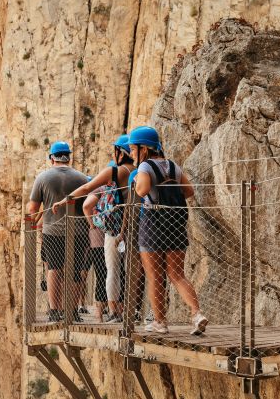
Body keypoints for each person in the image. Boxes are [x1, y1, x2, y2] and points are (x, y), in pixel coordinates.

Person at [127, 126, 208, 335]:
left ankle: (160, 322)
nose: (131, 153)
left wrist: (136, 181)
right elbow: (189, 191)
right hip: (174, 224)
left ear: (143, 148)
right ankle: (196, 313)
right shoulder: (172, 166)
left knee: (154, 276)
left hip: (152, 225)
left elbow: (143, 190)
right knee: (177, 274)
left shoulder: (145, 167)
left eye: (133, 149)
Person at [51, 135, 135, 323]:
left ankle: (114, 311)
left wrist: (65, 200)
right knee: (134, 270)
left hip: (116, 228)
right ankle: (132, 310)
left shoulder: (114, 171)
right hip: (139, 226)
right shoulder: (139, 170)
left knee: (112, 269)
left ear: (119, 152)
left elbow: (87, 188)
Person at [26, 141, 89, 322]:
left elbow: (33, 208)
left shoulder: (43, 178)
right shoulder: (81, 178)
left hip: (52, 231)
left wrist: (36, 223)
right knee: (76, 271)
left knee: (53, 269)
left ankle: (54, 310)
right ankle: (72, 311)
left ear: (52, 157)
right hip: (78, 230)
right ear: (68, 157)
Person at [82, 192, 109, 322]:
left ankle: (101, 312)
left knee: (102, 275)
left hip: (99, 240)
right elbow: (86, 207)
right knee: (103, 274)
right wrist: (91, 224)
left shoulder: (102, 192)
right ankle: (99, 312)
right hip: (100, 240)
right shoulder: (100, 192)